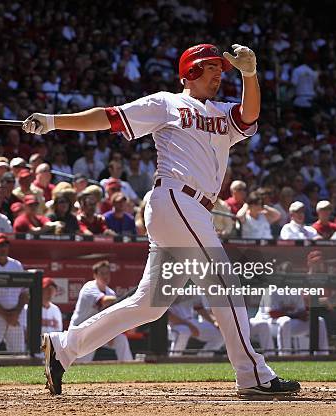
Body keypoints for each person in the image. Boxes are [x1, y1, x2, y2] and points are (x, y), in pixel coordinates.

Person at [24, 43, 299, 396]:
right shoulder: (166, 103)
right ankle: (253, 375)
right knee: (224, 284)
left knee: (150, 305)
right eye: (210, 67)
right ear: (190, 72)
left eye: (220, 68)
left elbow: (248, 117)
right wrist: (52, 122)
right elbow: (108, 116)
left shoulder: (222, 111)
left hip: (191, 210)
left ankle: (64, 347)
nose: (217, 73)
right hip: (176, 198)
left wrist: (249, 74)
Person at [69, 261, 133, 363]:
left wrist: (112, 333)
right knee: (81, 362)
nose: (105, 276)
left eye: (107, 273)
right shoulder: (89, 288)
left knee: (121, 340)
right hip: (79, 331)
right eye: (102, 273)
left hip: (94, 331)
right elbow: (104, 301)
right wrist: (126, 298)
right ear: (95, 275)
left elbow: (111, 315)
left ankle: (130, 368)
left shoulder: (110, 292)